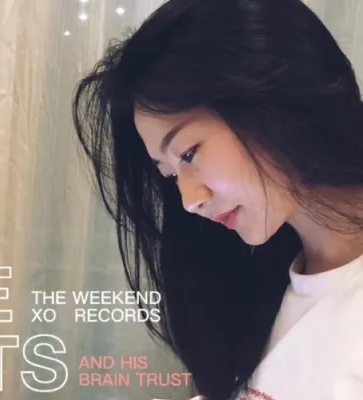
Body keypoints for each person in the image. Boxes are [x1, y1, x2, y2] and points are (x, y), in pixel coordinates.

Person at [72, 0, 363, 399]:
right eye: (170, 176)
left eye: (189, 153)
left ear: (273, 92)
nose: (189, 200)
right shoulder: (259, 287)